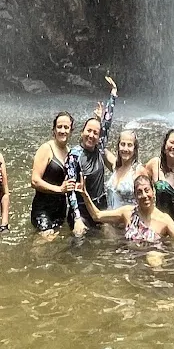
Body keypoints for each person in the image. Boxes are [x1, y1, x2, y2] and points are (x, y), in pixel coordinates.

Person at [80, 166, 174, 254]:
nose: (144, 195)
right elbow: (97, 216)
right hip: (130, 257)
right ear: (135, 196)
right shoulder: (128, 213)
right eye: (139, 192)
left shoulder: (163, 219)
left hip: (153, 257)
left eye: (147, 190)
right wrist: (85, 196)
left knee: (154, 256)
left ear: (153, 192)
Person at [68, 76, 119, 235]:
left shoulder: (99, 147)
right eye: (88, 131)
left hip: (100, 206)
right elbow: (70, 190)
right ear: (82, 132)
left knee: (112, 240)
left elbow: (107, 123)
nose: (91, 135)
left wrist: (113, 95)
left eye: (95, 133)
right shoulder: (74, 155)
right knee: (80, 239)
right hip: (82, 209)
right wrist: (76, 218)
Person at [29, 111, 76, 234]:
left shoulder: (70, 153)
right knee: (45, 240)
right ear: (54, 130)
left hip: (60, 209)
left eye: (66, 127)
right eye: (59, 127)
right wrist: (60, 189)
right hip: (43, 209)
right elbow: (34, 180)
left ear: (71, 131)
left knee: (55, 244)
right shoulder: (46, 149)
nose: (62, 130)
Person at [108, 126, 142, 205]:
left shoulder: (138, 171)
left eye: (129, 145)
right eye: (123, 144)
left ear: (135, 148)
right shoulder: (116, 166)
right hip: (110, 215)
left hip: (129, 217)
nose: (125, 149)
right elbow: (101, 149)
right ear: (118, 146)